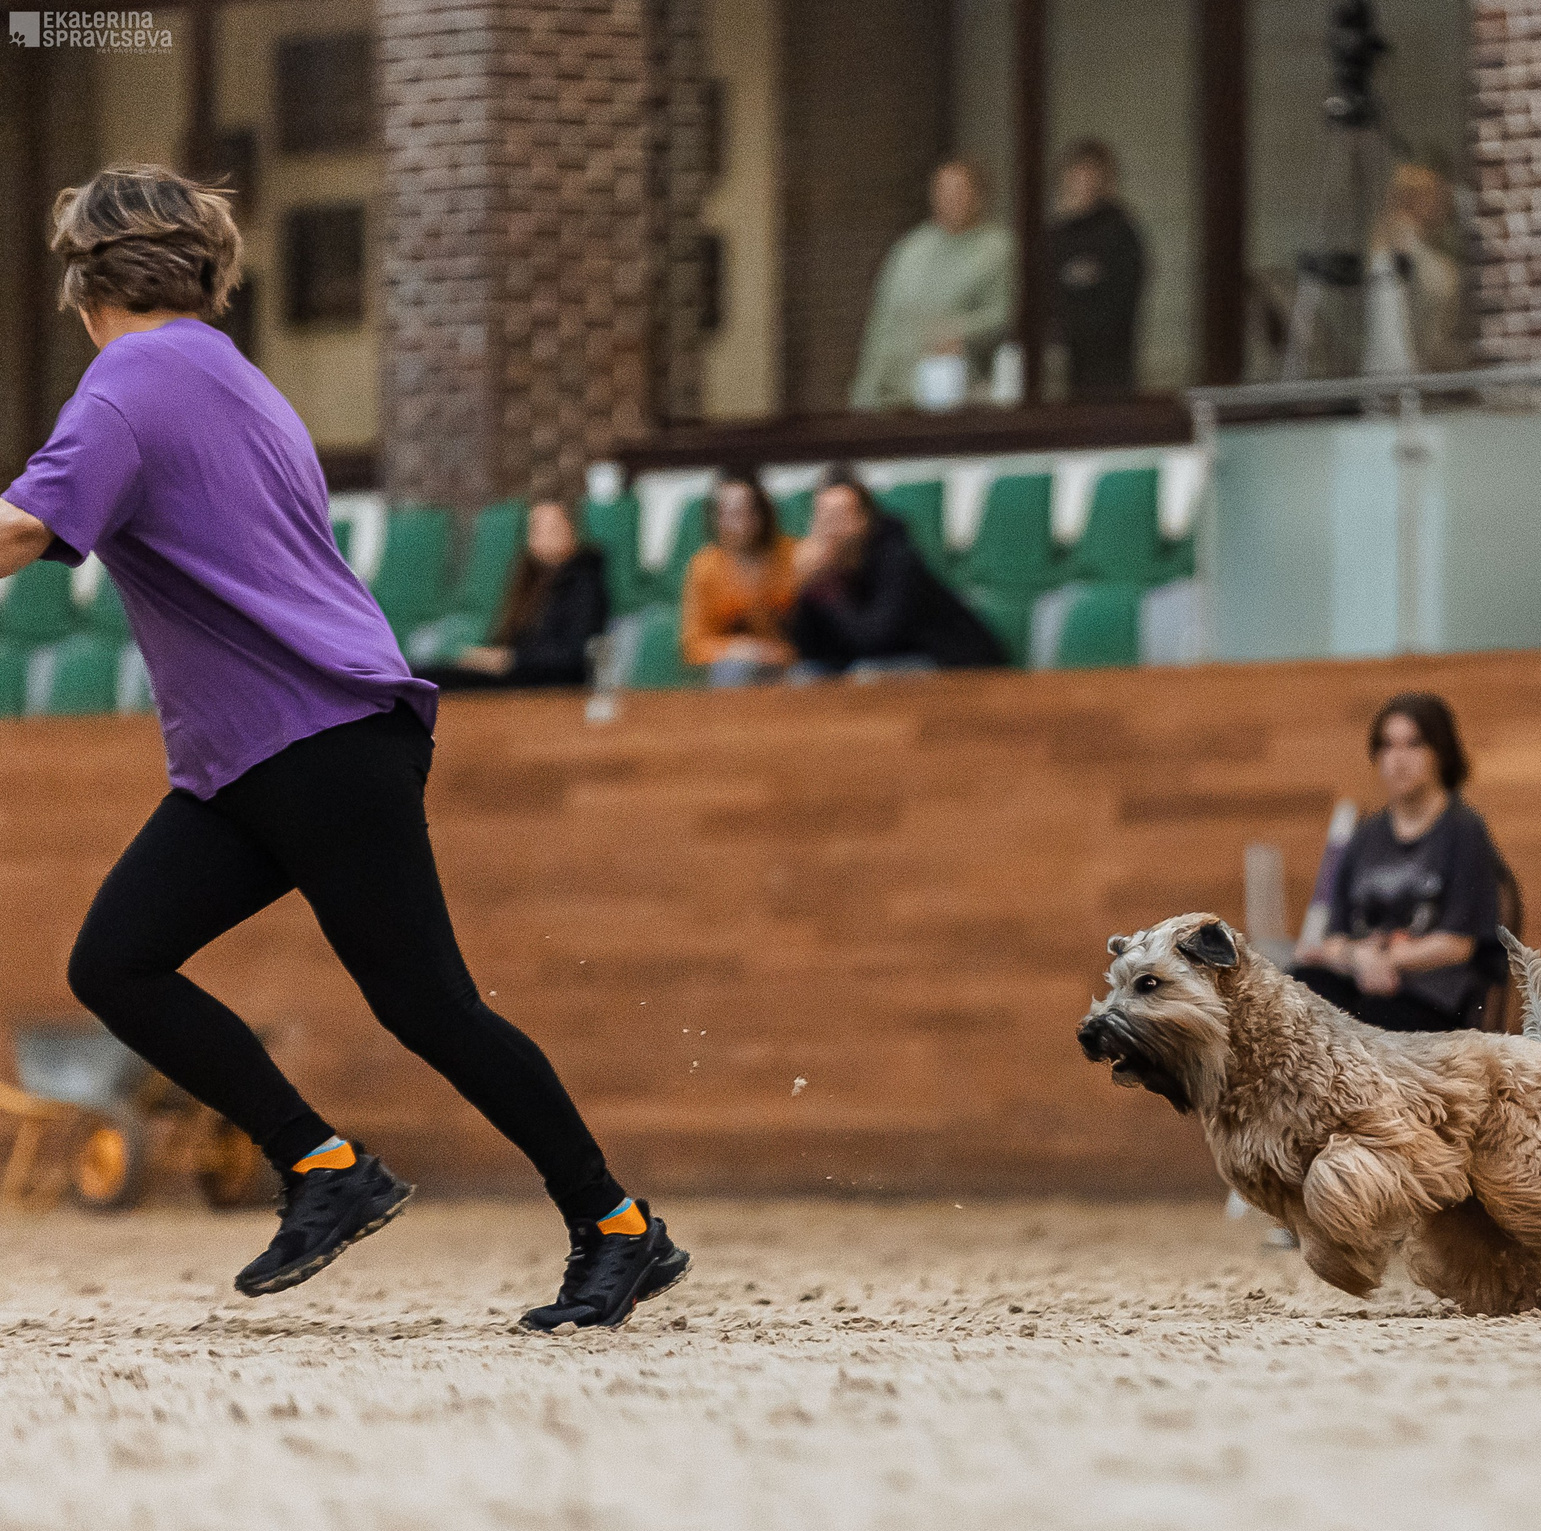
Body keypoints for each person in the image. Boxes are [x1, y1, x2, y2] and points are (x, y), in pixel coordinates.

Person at [0, 165, 685, 1330]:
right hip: (271, 748)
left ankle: (615, 1226)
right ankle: (322, 1167)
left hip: (308, 738)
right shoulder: (231, 373)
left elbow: (24, 528)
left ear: (84, 287)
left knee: (429, 1005)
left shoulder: (125, 385)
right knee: (117, 961)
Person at [1294, 692, 1510, 1031]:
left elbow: (1457, 944)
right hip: (1361, 980)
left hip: (1431, 995)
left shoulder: (1463, 831)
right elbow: (1334, 938)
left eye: (1413, 744)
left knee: (1371, 1025)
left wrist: (1382, 960)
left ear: (1441, 752)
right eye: (1388, 745)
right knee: (1297, 993)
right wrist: (1359, 959)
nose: (1398, 759)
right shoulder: (1364, 836)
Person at [786, 466, 1008, 674]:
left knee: (867, 674)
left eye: (841, 516)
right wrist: (806, 586)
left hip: (951, 662)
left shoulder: (896, 557)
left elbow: (877, 639)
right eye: (824, 517)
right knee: (807, 673)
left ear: (865, 519)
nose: (832, 528)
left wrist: (828, 591)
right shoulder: (821, 569)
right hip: (885, 662)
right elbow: (808, 649)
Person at [852, 160, 1016, 410]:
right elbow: (882, 323)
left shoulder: (998, 250)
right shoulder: (911, 250)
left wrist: (957, 332)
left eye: (958, 191)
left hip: (956, 397)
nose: (949, 199)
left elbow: (1006, 314)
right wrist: (863, 393)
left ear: (979, 197)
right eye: (942, 190)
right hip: (893, 395)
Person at [420, 499, 609, 691]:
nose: (543, 535)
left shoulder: (585, 581)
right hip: (518, 674)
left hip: (546, 684)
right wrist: (487, 657)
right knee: (420, 675)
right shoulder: (529, 578)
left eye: (552, 527)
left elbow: (575, 654)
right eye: (536, 528)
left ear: (572, 531)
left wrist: (511, 659)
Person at [679, 471, 800, 687]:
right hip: (736, 672)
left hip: (792, 666)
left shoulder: (794, 556)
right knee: (733, 669)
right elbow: (693, 645)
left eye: (746, 511)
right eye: (727, 513)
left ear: (762, 512)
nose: (738, 522)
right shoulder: (704, 567)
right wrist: (740, 649)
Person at [1048, 139, 1146, 399]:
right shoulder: (1055, 234)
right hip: (1057, 371)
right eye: (1077, 173)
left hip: (1108, 374)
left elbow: (1122, 299)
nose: (1083, 182)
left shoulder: (1120, 231)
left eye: (1091, 173)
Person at [1363, 162, 1466, 376]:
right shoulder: (1399, 234)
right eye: (1433, 197)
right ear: (1414, 199)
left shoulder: (1407, 237)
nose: (1440, 205)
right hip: (1399, 359)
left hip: (1409, 357)